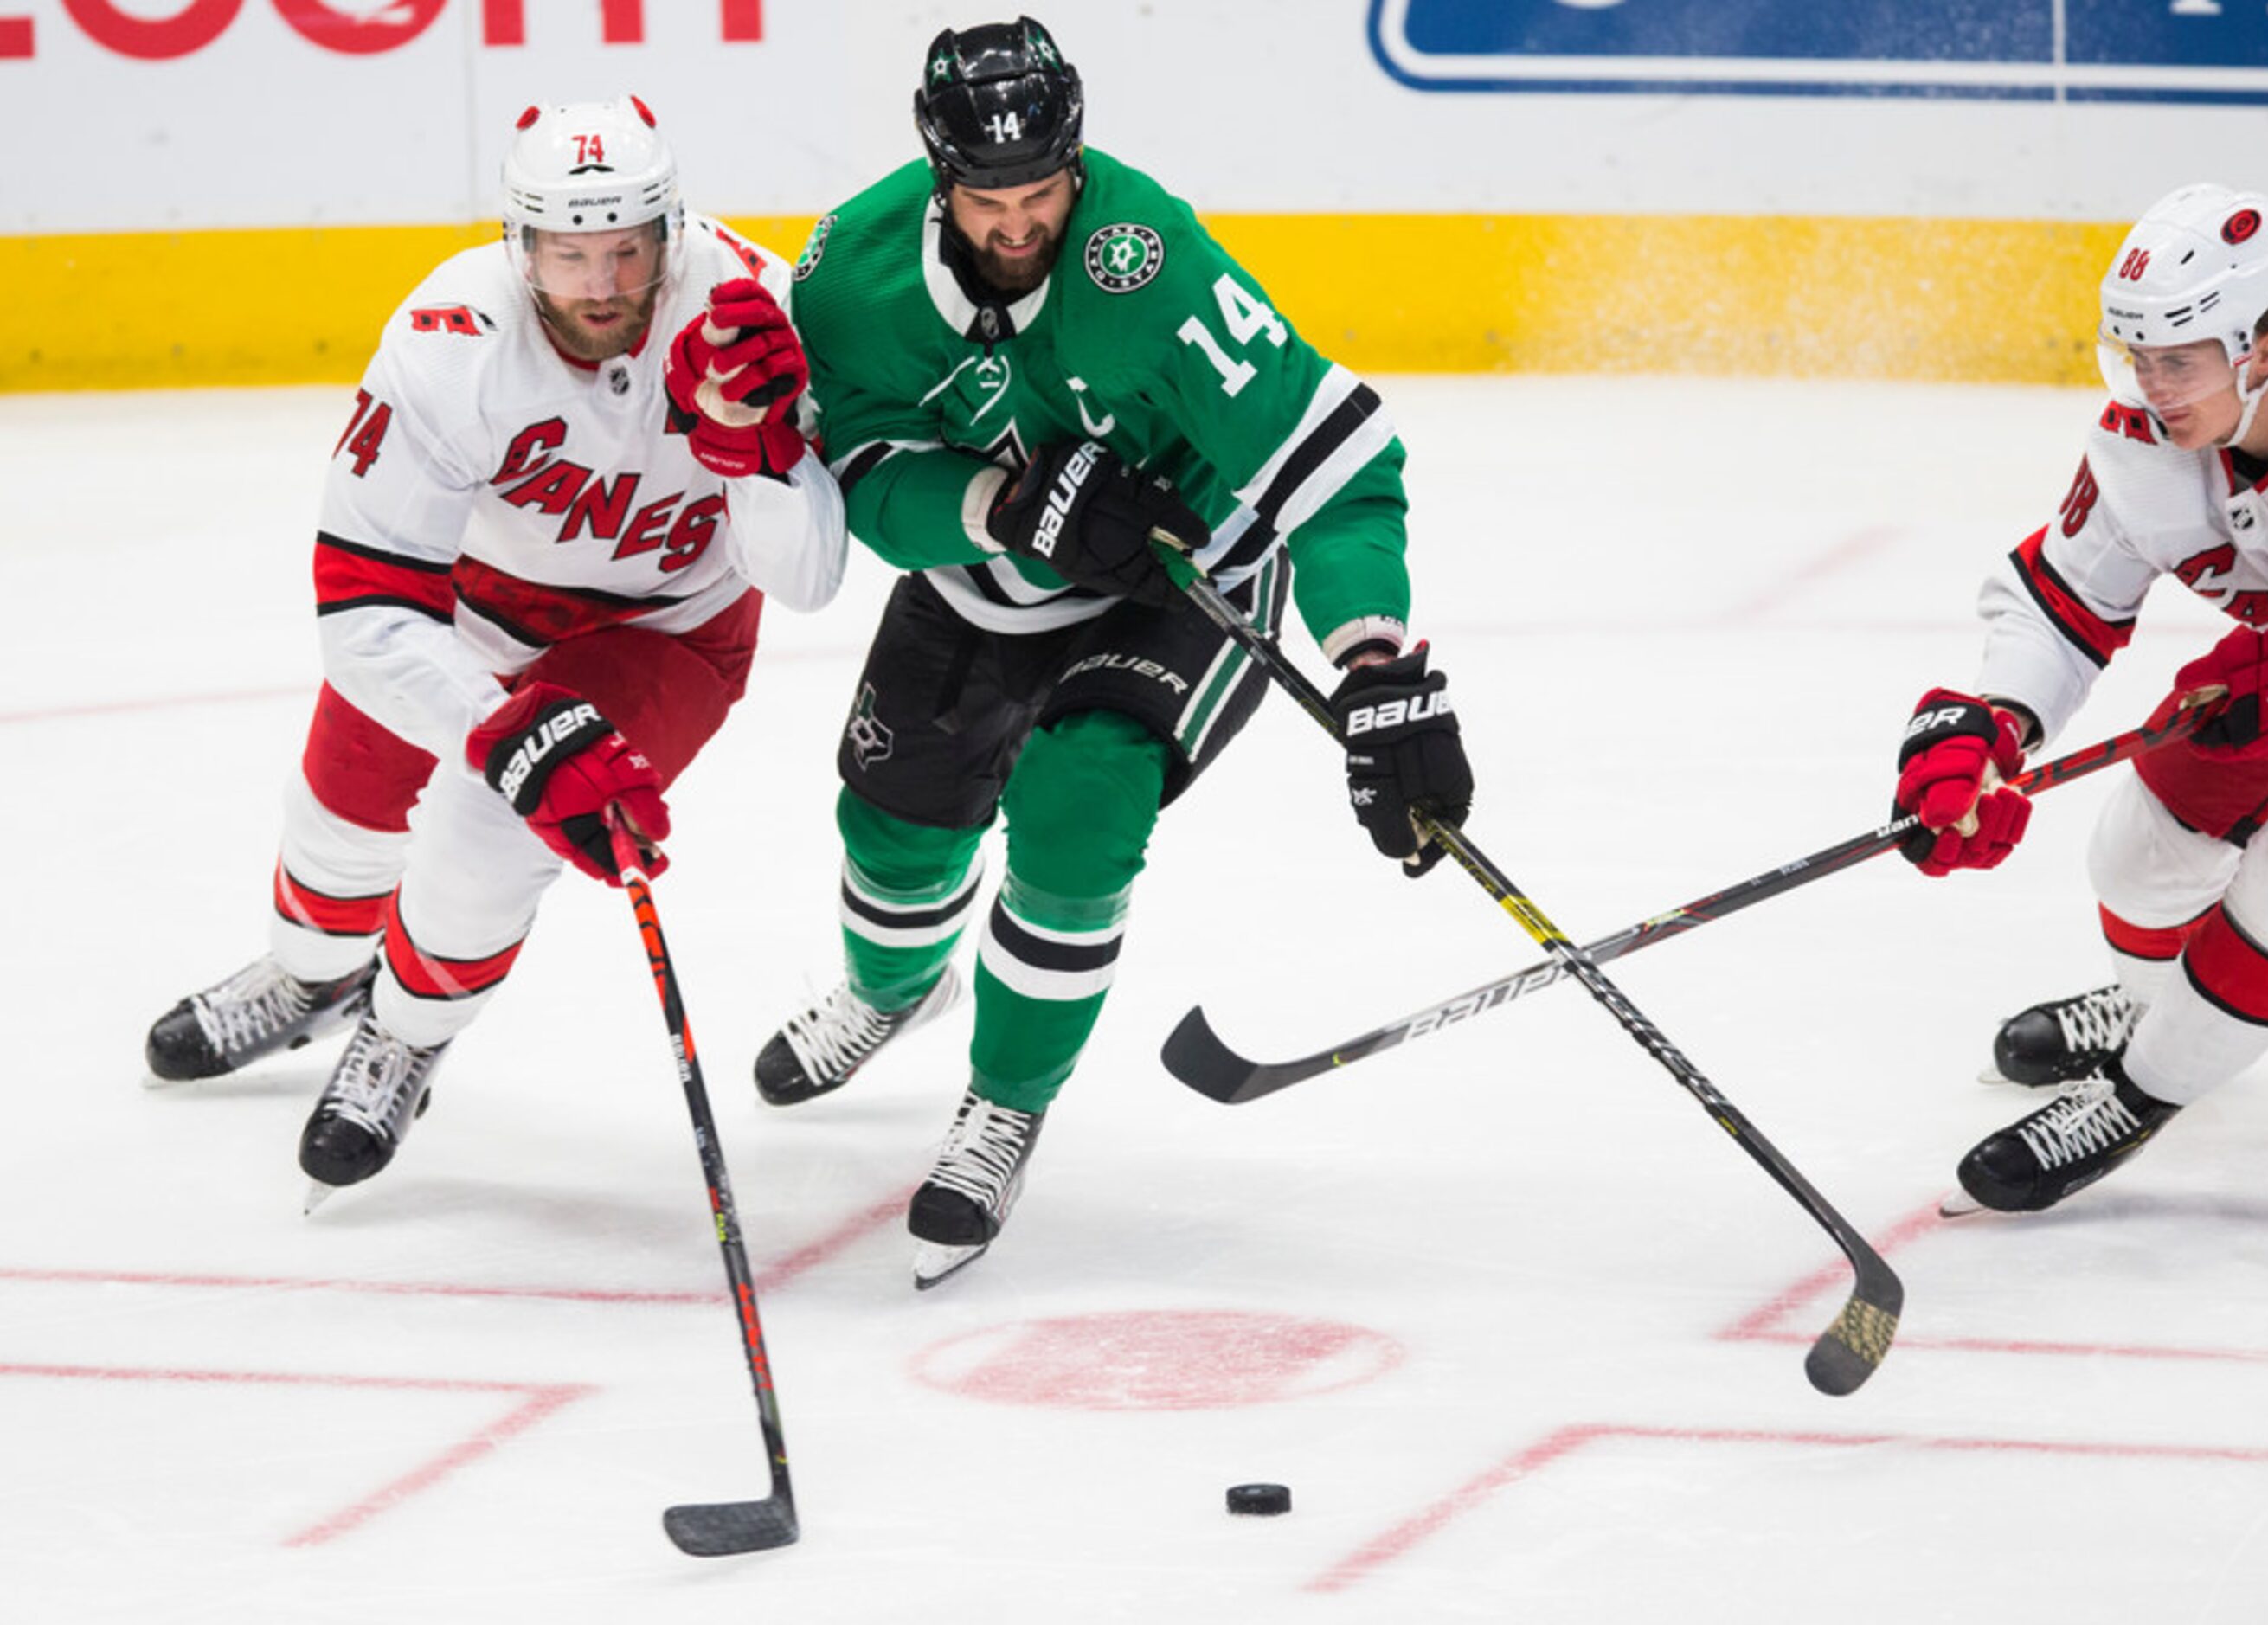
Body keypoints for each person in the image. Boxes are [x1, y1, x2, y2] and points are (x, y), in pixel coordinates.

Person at [763, 16, 1475, 1287]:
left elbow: (1342, 471)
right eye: (990, 199)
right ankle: (890, 987)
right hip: (982, 580)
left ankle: (1004, 1102)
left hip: (1180, 580)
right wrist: (993, 507)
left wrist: (1373, 666)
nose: (1020, 220)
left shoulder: (1153, 264)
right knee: (890, 830)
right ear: (940, 176)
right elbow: (860, 475)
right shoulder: (847, 278)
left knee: (1078, 801)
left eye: (1043, 189)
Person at [143, 97, 849, 1206]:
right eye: (570, 254)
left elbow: (804, 582)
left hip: (663, 629)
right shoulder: (448, 340)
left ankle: (405, 1036)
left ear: (671, 230)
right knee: (337, 822)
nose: (605, 284)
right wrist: (497, 721)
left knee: (487, 830)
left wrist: (759, 459)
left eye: (627, 249)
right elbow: (363, 609)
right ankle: (312, 976)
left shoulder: (750, 312)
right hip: (471, 607)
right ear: (521, 246)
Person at [1892, 181, 2268, 1213]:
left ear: (2262, 345)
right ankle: (2148, 1009)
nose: (2152, 388)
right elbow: (2063, 598)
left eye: (2179, 358)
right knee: (2137, 845)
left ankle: (2136, 1094)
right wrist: (1992, 725)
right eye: (2137, 355)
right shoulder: (2149, 437)